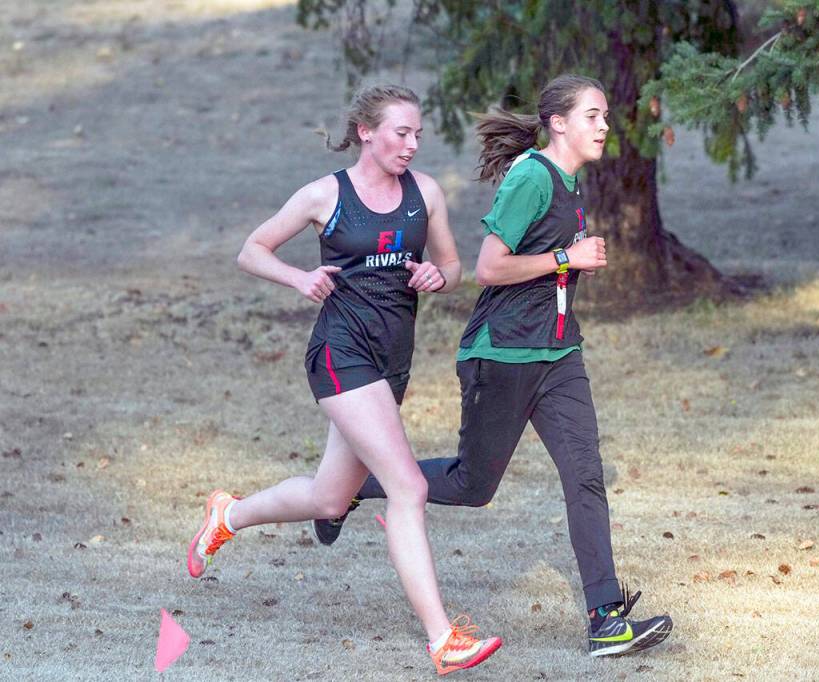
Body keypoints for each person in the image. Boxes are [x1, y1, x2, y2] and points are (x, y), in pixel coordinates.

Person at [314, 74, 672, 657]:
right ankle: (360, 488)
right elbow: (488, 268)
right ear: (559, 123)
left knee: (585, 475)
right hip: (501, 354)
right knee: (472, 486)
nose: (604, 126)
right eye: (592, 116)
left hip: (559, 353)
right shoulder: (532, 177)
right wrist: (567, 257)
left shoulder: (568, 181)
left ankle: (605, 618)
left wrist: (566, 263)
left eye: (605, 116)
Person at [186, 84, 502, 676]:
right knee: (408, 487)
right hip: (341, 354)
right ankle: (443, 639)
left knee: (331, 498)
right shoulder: (325, 194)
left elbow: (454, 267)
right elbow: (251, 250)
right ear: (366, 132)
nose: (411, 144)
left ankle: (228, 514)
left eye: (417, 135)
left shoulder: (425, 193)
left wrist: (438, 277)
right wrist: (299, 278)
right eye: (401, 133)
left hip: (392, 362)